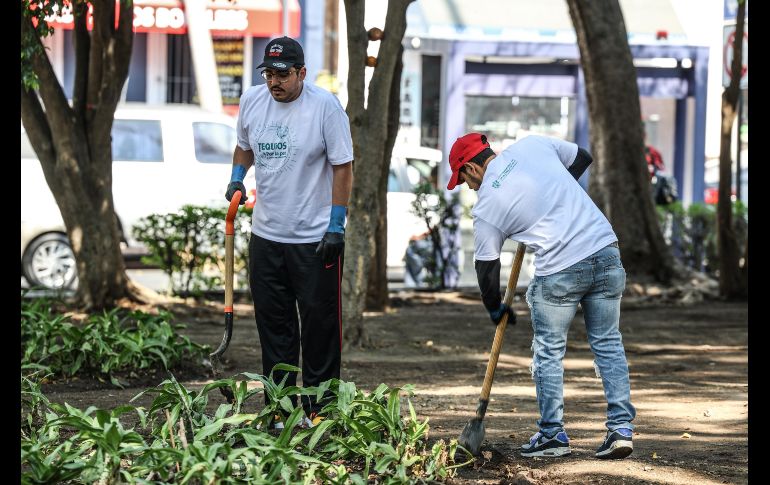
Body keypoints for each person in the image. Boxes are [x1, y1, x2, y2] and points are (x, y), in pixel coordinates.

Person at [447, 133, 636, 459]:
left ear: (472, 169)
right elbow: (583, 157)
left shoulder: (487, 206)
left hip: (561, 269)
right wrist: (554, 194)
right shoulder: (532, 145)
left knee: (549, 352)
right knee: (607, 342)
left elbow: (486, 268)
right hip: (605, 250)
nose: (468, 187)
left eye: (463, 179)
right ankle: (620, 430)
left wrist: (495, 307)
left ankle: (552, 435)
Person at [225, 36, 354, 429]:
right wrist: (236, 178)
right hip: (266, 237)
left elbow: (343, 166)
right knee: (275, 328)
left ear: (301, 73)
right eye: (269, 73)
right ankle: (280, 410)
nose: (274, 82)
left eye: (283, 74)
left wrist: (336, 225)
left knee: (319, 329)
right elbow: (244, 146)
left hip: (315, 239)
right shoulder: (253, 100)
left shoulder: (325, 107)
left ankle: (319, 413)